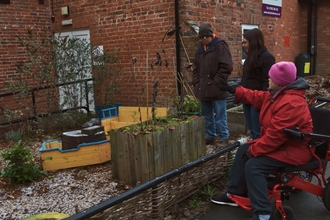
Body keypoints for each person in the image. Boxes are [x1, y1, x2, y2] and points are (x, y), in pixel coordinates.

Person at [211, 61, 313, 220]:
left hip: (295, 148)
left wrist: (255, 151)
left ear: (280, 81)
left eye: (271, 77)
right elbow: (255, 96)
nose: (268, 80)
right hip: (283, 144)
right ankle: (234, 192)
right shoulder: (277, 95)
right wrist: (234, 90)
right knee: (243, 149)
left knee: (254, 165)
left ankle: (263, 214)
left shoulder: (292, 103)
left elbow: (276, 136)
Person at [192, 23, 233, 146]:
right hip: (203, 89)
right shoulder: (200, 50)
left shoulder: (220, 46)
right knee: (206, 115)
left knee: (220, 115)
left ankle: (224, 137)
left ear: (211, 35)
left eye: (206, 36)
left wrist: (216, 82)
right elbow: (195, 69)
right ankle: (210, 136)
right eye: (202, 37)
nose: (204, 38)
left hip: (217, 88)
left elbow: (227, 67)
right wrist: (196, 82)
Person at [239, 28, 275, 139]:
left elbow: (268, 81)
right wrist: (238, 95)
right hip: (247, 98)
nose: (243, 45)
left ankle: (259, 153)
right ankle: (254, 150)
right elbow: (245, 78)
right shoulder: (250, 57)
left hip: (258, 101)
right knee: (252, 130)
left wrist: (264, 101)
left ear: (253, 42)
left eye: (245, 42)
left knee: (258, 131)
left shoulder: (267, 58)